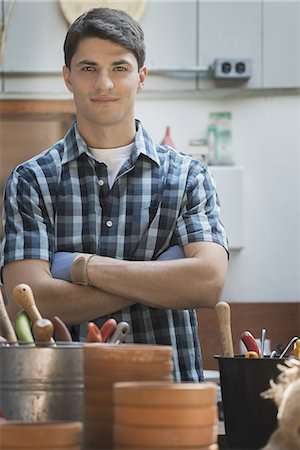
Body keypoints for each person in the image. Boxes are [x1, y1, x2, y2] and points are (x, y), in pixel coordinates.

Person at [0, 7, 228, 381]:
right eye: (88, 68)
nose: (104, 84)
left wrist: (81, 268)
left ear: (140, 78)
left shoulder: (188, 176)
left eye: (119, 68)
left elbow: (207, 283)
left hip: (168, 396)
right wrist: (162, 278)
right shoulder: (31, 180)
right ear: (68, 77)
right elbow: (32, 299)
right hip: (67, 397)